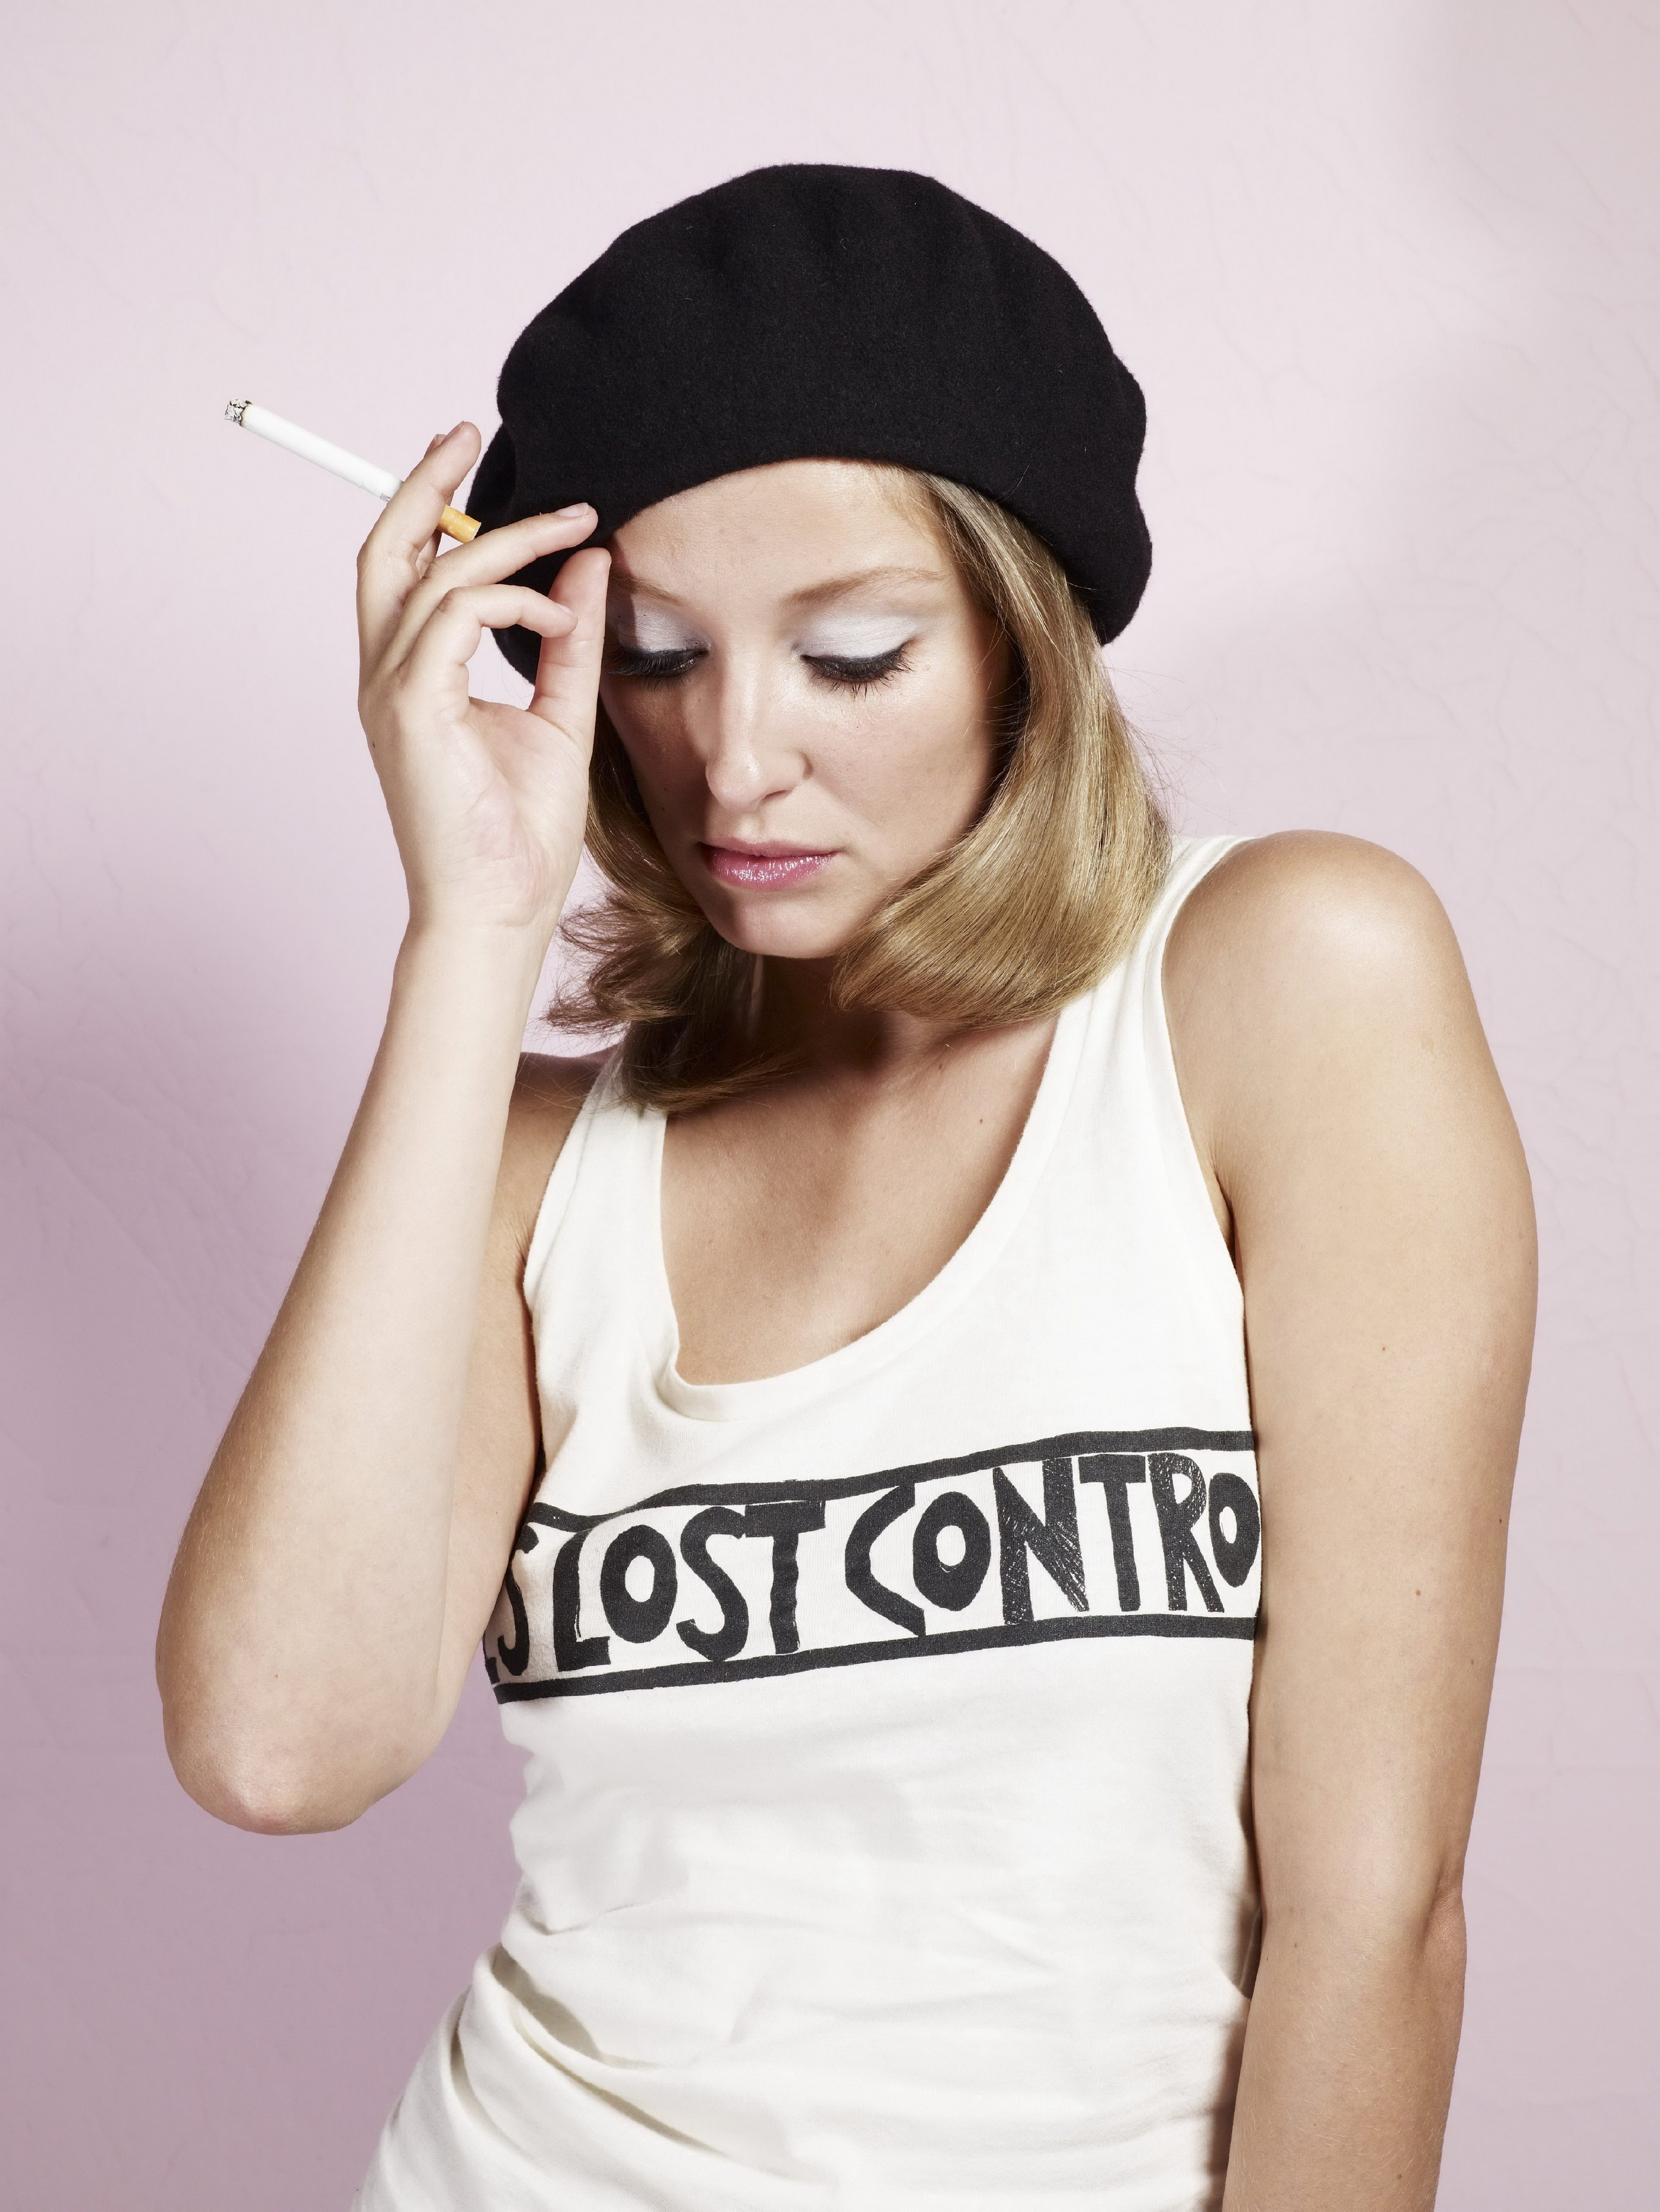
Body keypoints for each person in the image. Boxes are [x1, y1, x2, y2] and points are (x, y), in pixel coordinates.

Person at [156, 166, 1536, 2211]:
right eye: (655, 656)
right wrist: (473, 929)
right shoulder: (539, 1161)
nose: (733, 760)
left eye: (854, 657)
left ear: (1021, 650)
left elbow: (1379, 1914)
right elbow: (279, 1747)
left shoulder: (1282, 991)